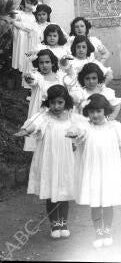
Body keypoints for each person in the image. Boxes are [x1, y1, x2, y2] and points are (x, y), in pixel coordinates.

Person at [14, 85, 87, 239]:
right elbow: (34, 124)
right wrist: (27, 130)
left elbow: (82, 128)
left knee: (64, 192)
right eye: (53, 103)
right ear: (48, 102)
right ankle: (54, 224)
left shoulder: (72, 116)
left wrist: (76, 134)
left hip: (66, 161)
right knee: (51, 192)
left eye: (60, 102)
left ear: (66, 102)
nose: (56, 106)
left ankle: (63, 223)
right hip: (49, 160)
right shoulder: (44, 117)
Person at [66, 94, 121, 248]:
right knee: (96, 203)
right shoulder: (85, 128)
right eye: (91, 112)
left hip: (109, 170)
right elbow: (76, 134)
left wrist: (117, 153)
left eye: (98, 111)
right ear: (87, 113)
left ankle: (107, 231)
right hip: (93, 171)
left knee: (108, 202)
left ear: (105, 111)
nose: (95, 115)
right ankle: (98, 232)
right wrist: (74, 133)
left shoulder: (114, 127)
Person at [22, 50, 69, 151]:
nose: (44, 65)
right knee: (40, 135)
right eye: (41, 62)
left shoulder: (60, 77)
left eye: (47, 62)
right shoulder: (38, 77)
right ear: (37, 64)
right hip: (41, 111)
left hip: (57, 110)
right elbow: (32, 80)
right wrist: (28, 78)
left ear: (52, 63)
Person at [11, 0, 39, 79]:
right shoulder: (19, 13)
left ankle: (29, 71)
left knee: (29, 54)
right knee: (22, 53)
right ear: (24, 1)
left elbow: (35, 27)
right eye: (28, 2)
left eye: (32, 3)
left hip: (31, 39)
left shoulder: (33, 16)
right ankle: (22, 71)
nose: (30, 5)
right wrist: (24, 28)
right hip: (22, 38)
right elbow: (13, 22)